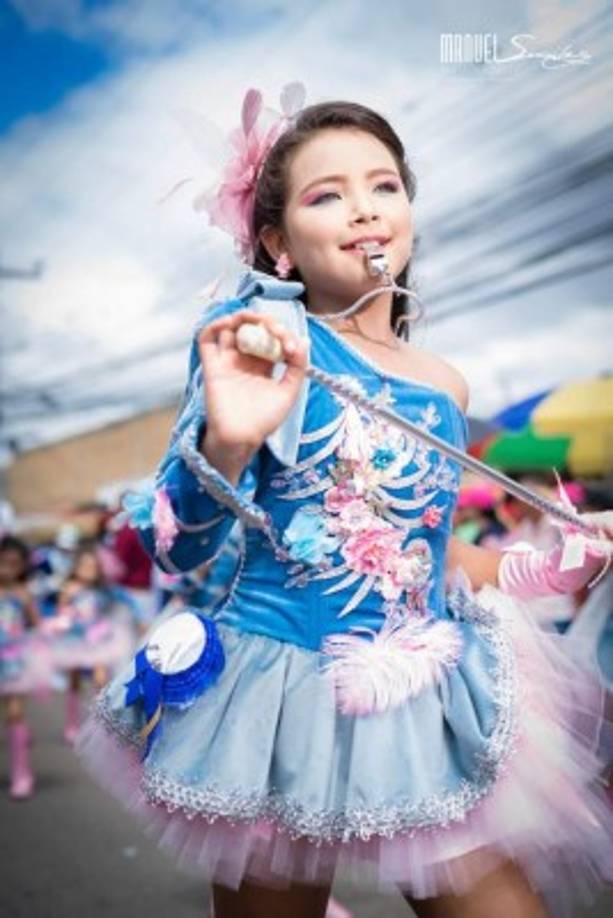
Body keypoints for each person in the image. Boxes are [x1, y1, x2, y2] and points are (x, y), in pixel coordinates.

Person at [78, 88, 613, 918]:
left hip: (422, 697)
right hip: (276, 701)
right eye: (327, 195)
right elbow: (177, 551)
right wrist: (228, 440)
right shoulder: (258, 343)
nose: (365, 210)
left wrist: (550, 563)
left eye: (384, 185)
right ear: (275, 241)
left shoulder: (443, 384)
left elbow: (430, 561)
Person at [48, 544, 134, 743]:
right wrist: (65, 618)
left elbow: (112, 606)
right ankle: (72, 723)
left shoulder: (103, 590)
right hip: (76, 638)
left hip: (97, 640)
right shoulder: (69, 589)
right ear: (76, 567)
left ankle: (98, 724)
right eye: (84, 566)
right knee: (74, 678)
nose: (89, 571)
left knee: (100, 678)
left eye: (93, 567)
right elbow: (62, 612)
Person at [0, 535, 49, 799]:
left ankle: (21, 774)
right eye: (3, 562)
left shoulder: (23, 594)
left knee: (15, 713)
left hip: (14, 661)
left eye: (14, 564)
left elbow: (36, 626)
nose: (7, 569)